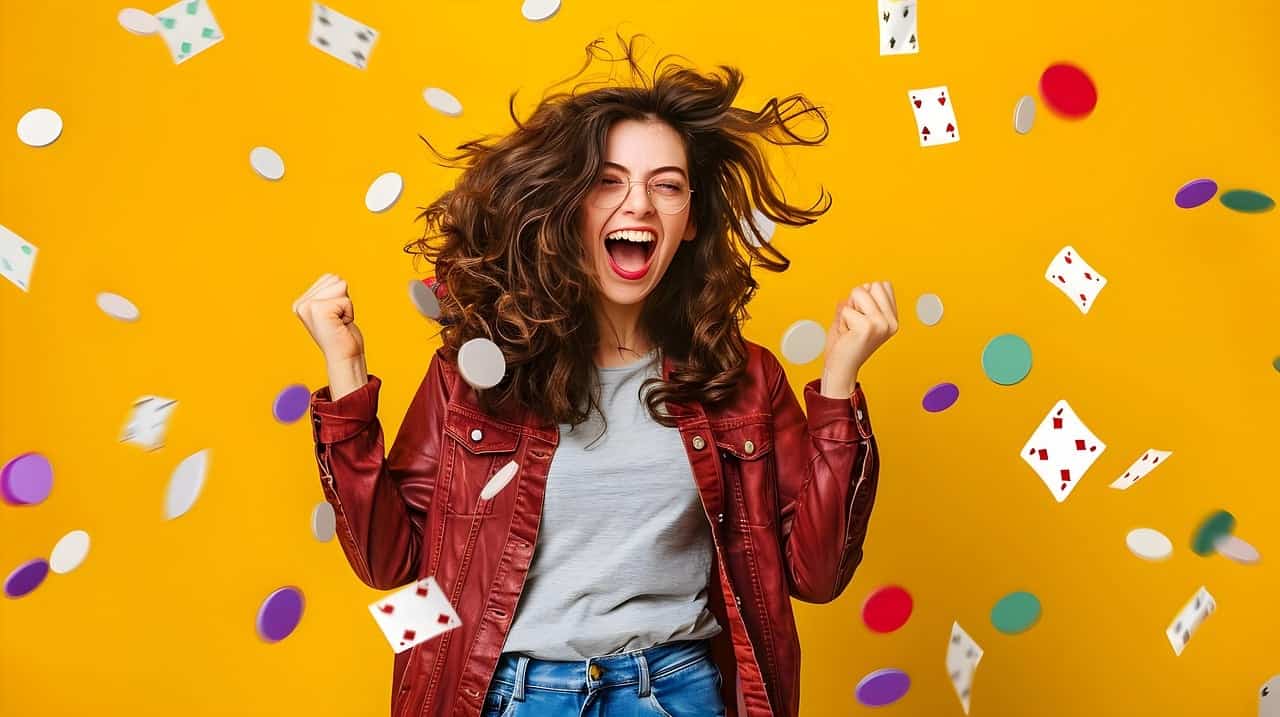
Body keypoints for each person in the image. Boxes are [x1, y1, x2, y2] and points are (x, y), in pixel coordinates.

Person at [292, 35, 897, 717]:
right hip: (510, 697)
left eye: (665, 185)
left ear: (690, 219)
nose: (637, 203)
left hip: (676, 691)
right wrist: (344, 371)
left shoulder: (744, 379)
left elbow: (816, 577)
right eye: (609, 181)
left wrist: (840, 385)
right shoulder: (475, 375)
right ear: (569, 205)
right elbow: (387, 561)